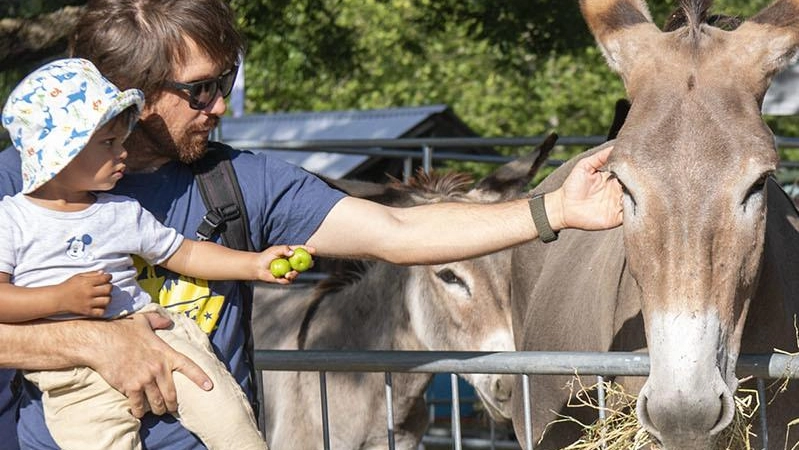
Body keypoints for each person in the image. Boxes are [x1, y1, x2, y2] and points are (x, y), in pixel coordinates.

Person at [0, 0, 624, 448]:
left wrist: (555, 210)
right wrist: (93, 341)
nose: (220, 105)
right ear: (128, 91)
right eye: (200, 90)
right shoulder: (15, 185)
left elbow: (398, 235)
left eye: (227, 82)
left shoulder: (244, 181)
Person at [0, 57, 315, 450]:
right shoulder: (11, 219)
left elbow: (183, 253)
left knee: (224, 410)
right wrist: (58, 299)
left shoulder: (119, 210)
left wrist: (254, 264)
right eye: (109, 143)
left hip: (153, 333)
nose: (124, 152)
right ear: (63, 152)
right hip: (71, 376)